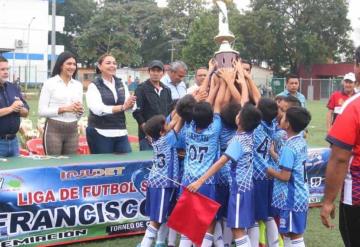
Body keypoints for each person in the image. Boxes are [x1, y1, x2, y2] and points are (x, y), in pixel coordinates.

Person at [187, 103, 262, 247]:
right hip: (246, 188)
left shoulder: (237, 141)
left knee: (237, 230)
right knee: (238, 228)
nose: (237, 114)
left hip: (239, 190)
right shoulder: (251, 134)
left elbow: (221, 162)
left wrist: (200, 181)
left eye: (239, 113)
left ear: (239, 120)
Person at [320, 48, 360, 247]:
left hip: (357, 192)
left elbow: (340, 158)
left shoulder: (353, 106)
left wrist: (328, 201)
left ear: (357, 68)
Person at [267, 107, 311, 247]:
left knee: (295, 235)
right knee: (287, 234)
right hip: (300, 194)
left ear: (288, 124)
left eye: (284, 117)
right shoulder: (300, 141)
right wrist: (274, 155)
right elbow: (292, 164)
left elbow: (285, 176)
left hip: (292, 198)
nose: (281, 119)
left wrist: (269, 170)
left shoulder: (288, 147)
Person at [137, 114, 183, 247]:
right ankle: (146, 243)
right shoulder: (167, 139)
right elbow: (178, 121)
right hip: (162, 184)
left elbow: (172, 123)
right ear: (161, 131)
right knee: (156, 219)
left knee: (164, 215)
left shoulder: (157, 139)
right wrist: (183, 109)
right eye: (165, 123)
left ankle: (160, 242)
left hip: (157, 182)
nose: (169, 124)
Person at [86, 54, 136, 154]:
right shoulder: (93, 85)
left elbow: (129, 107)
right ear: (100, 67)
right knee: (103, 166)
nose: (112, 65)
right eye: (108, 63)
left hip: (121, 132)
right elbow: (98, 110)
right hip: (100, 132)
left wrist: (131, 104)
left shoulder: (121, 83)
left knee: (126, 165)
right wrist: (122, 107)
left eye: (114, 63)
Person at [38, 51, 84, 155]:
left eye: (74, 64)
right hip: (53, 129)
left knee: (70, 166)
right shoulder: (49, 83)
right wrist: (63, 109)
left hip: (72, 129)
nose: (72, 67)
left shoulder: (78, 85)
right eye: (68, 63)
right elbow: (41, 111)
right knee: (53, 164)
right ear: (60, 65)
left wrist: (80, 110)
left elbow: (79, 113)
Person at [250, 98, 279, 247]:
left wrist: (265, 168)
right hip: (270, 173)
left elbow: (254, 153)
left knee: (255, 217)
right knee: (269, 215)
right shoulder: (272, 125)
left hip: (258, 175)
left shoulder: (254, 127)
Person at [133, 60, 172, 151]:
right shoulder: (141, 89)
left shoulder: (167, 90)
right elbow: (137, 113)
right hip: (147, 137)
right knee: (148, 163)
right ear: (149, 72)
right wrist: (147, 132)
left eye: (158, 71)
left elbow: (169, 112)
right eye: (153, 70)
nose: (155, 73)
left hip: (164, 135)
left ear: (163, 73)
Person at [0, 56, 29, 157]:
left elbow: (26, 112)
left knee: (15, 172)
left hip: (14, 142)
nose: (6, 72)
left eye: (7, 69)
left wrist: (21, 108)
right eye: (2, 69)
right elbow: (12, 108)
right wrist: (11, 108)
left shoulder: (13, 87)